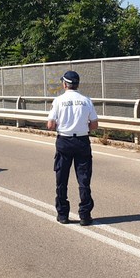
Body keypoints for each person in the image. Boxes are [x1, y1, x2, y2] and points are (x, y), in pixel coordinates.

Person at [47, 70, 99, 226]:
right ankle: (85, 215)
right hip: (82, 141)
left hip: (64, 141)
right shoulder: (86, 100)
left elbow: (50, 125)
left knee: (62, 179)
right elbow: (95, 125)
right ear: (77, 84)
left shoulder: (58, 101)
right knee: (84, 179)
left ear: (64, 84)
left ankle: (63, 214)